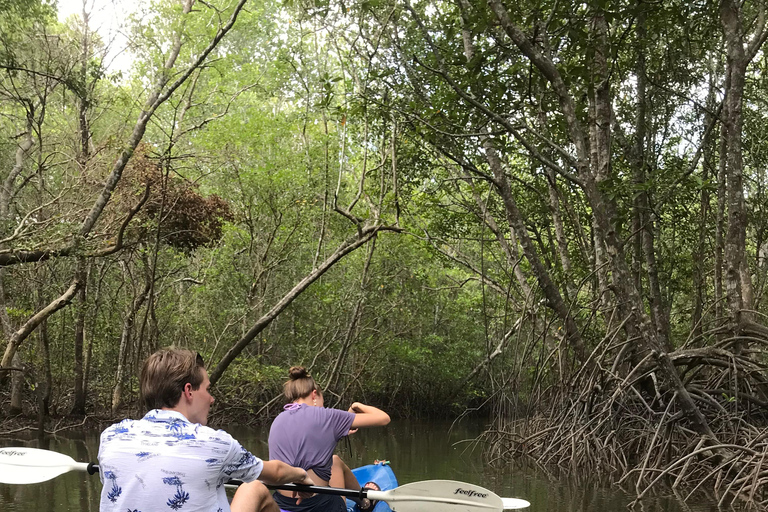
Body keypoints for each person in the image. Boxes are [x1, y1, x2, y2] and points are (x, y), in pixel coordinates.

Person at [98, 348, 315, 512]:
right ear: (189, 391)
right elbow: (275, 474)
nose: (211, 399)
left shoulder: (112, 436)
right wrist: (301, 474)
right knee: (256, 488)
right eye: (208, 389)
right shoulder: (213, 443)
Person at [268, 366, 390, 512]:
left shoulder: (278, 419)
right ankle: (365, 502)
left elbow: (307, 444)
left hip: (282, 502)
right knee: (336, 462)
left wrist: (341, 429)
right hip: (318, 504)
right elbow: (383, 418)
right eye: (322, 400)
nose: (323, 406)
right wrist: (356, 405)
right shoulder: (327, 416)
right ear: (314, 395)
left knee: (335, 460)